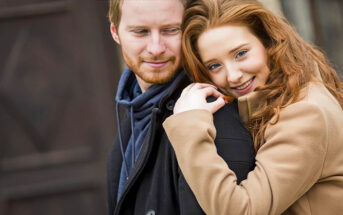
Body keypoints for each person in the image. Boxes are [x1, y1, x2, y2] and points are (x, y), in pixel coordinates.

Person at [163, 0, 343, 214]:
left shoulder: (304, 113)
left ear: (268, 41)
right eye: (214, 65)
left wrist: (190, 128)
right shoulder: (284, 96)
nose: (233, 76)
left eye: (241, 53)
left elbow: (242, 210)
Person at [106, 0, 256, 214]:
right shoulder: (133, 118)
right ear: (115, 31)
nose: (156, 48)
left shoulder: (212, 113)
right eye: (141, 32)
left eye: (171, 30)